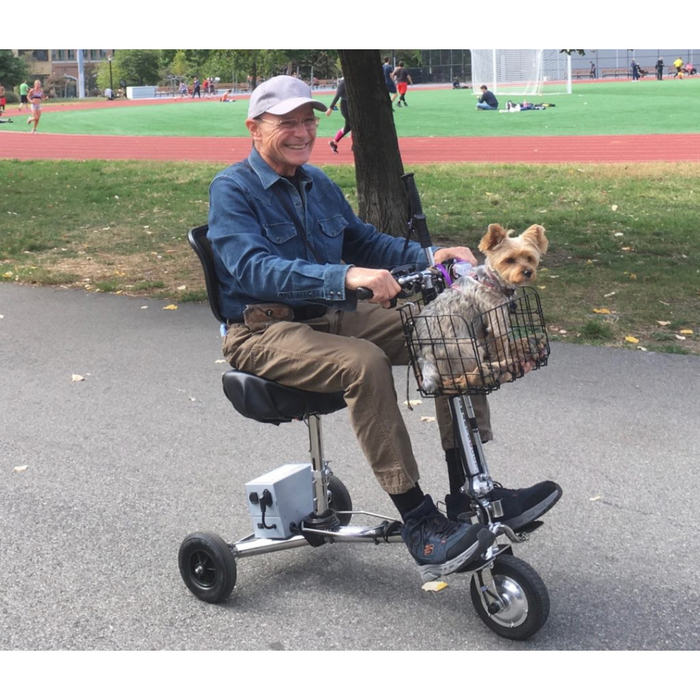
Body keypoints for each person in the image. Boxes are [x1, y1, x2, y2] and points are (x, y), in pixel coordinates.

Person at [206, 76, 562, 580]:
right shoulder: (232, 189)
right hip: (264, 330)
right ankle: (418, 519)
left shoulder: (316, 182)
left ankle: (468, 491)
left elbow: (364, 241)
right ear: (254, 128)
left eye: (309, 119)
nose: (303, 131)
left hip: (333, 313)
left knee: (439, 327)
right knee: (364, 362)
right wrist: (345, 275)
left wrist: (427, 255)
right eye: (287, 122)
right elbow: (252, 268)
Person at [326, 77, 350, 153]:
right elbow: (337, 96)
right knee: (353, 125)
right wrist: (331, 108)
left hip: (352, 106)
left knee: (348, 127)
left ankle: (333, 142)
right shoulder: (343, 83)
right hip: (345, 106)